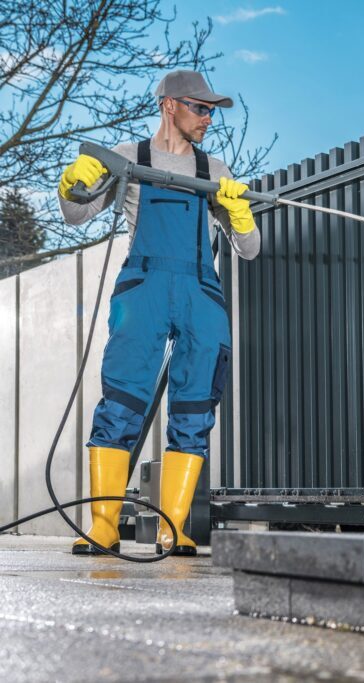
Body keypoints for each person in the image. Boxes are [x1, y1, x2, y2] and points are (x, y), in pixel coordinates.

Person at [57, 70, 261, 556]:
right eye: (200, 108)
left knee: (194, 410)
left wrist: (239, 214)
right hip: (144, 288)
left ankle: (173, 528)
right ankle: (104, 525)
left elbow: (249, 250)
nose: (209, 118)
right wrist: (72, 184)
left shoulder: (216, 169)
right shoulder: (130, 159)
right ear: (170, 105)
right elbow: (76, 213)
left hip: (199, 289)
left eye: (213, 110)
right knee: (122, 402)